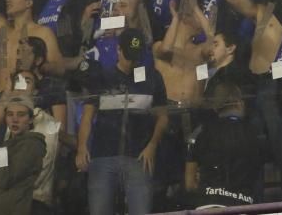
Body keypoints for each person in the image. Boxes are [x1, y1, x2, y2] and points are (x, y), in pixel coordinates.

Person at [77, 28, 169, 215]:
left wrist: (152, 145)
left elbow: (163, 116)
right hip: (103, 155)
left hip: (138, 156)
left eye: (135, 55)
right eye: (128, 55)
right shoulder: (102, 77)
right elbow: (87, 115)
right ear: (118, 50)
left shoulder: (153, 78)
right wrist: (81, 147)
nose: (131, 60)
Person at [183, 81, 262, 208]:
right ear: (239, 103)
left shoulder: (201, 133)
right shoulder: (253, 133)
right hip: (241, 203)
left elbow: (190, 184)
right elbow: (257, 177)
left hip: (206, 203)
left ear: (215, 107)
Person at [0, 94, 47, 215]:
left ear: (31, 119)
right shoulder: (3, 146)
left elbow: (3, 179)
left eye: (21, 115)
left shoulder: (33, 145)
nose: (15, 119)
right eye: (10, 114)